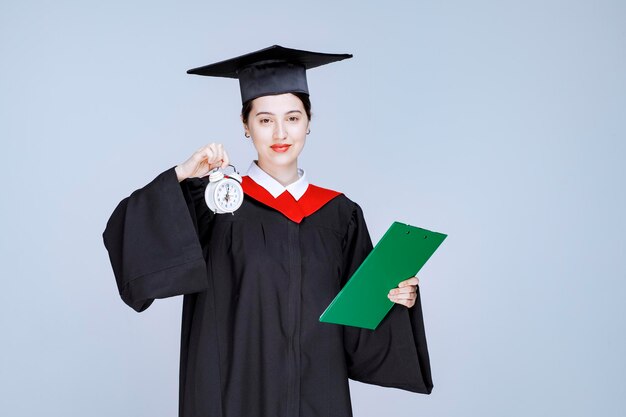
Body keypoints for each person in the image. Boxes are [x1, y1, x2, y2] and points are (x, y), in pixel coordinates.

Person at [103, 45, 432, 417]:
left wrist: (394, 299)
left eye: (292, 117)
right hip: (232, 398)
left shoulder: (341, 216)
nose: (280, 132)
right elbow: (131, 239)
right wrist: (181, 174)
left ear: (309, 121)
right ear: (245, 125)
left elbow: (358, 336)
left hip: (316, 400)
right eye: (264, 120)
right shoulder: (215, 204)